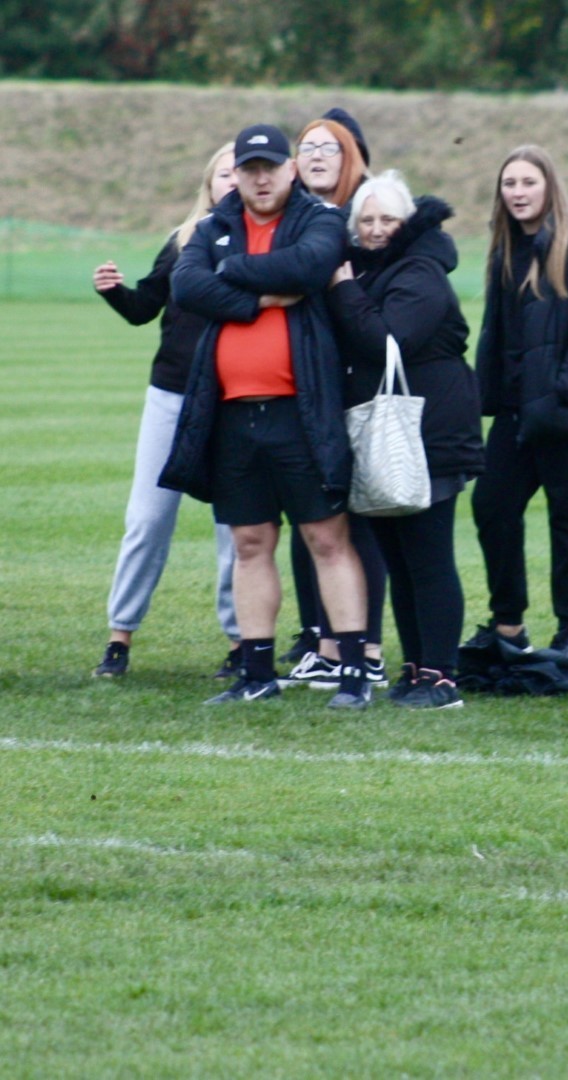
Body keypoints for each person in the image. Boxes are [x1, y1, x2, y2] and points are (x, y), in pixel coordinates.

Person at [162, 123, 372, 709]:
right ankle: (257, 675)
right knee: (250, 542)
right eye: (250, 169)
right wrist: (258, 297)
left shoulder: (319, 219)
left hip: (302, 410)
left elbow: (308, 268)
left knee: (326, 537)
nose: (260, 179)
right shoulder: (214, 225)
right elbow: (186, 284)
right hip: (233, 414)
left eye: (270, 167)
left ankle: (353, 674)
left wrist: (228, 272)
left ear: (290, 170)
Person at [461, 145, 568, 677]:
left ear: (549, 187)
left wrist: (564, 390)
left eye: (528, 182)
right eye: (509, 183)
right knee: (492, 505)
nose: (518, 193)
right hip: (518, 409)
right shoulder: (505, 248)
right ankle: (508, 626)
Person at [328, 171, 484, 709]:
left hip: (429, 431)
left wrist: (344, 289)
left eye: (388, 219)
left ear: (408, 222)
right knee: (399, 558)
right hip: (395, 432)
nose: (376, 229)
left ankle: (441, 677)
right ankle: (417, 668)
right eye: (366, 220)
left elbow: (386, 339)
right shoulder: (378, 268)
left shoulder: (420, 270)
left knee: (428, 557)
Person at [90, 142, 242, 681]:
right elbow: (143, 308)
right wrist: (114, 291)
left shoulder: (264, 245)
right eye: (224, 174)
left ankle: (242, 641)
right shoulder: (182, 240)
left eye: (242, 173)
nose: (233, 181)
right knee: (148, 520)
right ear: (209, 183)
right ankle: (119, 637)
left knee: (236, 526)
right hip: (171, 395)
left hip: (232, 399)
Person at [278, 107, 390, 690]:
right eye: (308, 147)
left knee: (358, 523)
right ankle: (322, 642)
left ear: (353, 159)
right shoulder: (292, 216)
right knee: (313, 520)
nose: (317, 157)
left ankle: (365, 648)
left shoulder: (368, 217)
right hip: (305, 386)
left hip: (356, 387)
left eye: (330, 148)